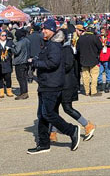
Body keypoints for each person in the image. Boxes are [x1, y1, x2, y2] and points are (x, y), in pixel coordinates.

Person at [28, 19, 80, 155]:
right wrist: (35, 60)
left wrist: (37, 63)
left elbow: (53, 63)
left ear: (52, 30)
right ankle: (44, 144)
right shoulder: (49, 44)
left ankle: (71, 130)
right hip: (45, 83)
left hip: (52, 84)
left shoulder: (54, 45)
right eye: (43, 29)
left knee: (48, 114)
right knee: (42, 115)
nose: (43, 31)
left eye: (46, 29)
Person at [50, 27, 96, 143]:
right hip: (58, 83)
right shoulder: (59, 48)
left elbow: (67, 65)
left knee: (67, 108)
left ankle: (87, 125)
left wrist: (53, 67)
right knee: (54, 109)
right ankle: (52, 132)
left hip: (66, 84)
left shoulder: (66, 49)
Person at [75, 25, 102, 96]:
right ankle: (93, 91)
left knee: (85, 76)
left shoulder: (80, 38)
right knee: (94, 76)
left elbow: (77, 49)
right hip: (94, 59)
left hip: (83, 59)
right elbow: (100, 47)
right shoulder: (95, 38)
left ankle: (87, 91)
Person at [13, 29, 31, 99]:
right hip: (26, 61)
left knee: (20, 78)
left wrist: (11, 48)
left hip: (20, 62)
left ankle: (23, 93)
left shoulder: (20, 42)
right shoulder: (27, 40)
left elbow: (16, 52)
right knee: (24, 78)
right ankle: (25, 92)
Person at [0, 31, 14, 98]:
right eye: (3, 35)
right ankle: (1, 92)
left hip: (7, 62)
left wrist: (7, 55)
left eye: (5, 35)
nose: (4, 37)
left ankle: (9, 91)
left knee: (8, 77)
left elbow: (12, 51)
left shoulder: (9, 42)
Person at [98, 27, 110, 93]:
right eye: (101, 32)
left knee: (108, 72)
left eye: (103, 32)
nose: (101, 33)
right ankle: (100, 84)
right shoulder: (98, 37)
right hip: (100, 57)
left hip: (108, 57)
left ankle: (107, 85)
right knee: (99, 72)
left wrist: (107, 43)